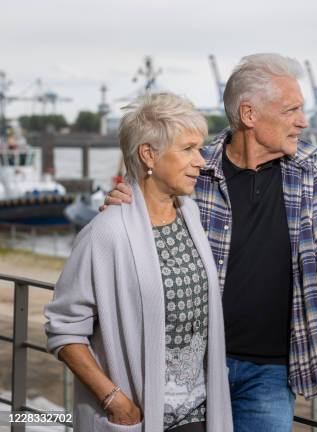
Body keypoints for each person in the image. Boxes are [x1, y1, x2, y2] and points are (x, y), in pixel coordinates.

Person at [105, 53, 317, 432]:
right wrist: (123, 203)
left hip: (271, 373)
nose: (303, 121)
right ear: (249, 114)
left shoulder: (310, 169)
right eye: (291, 110)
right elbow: (145, 217)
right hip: (193, 364)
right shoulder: (197, 166)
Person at [44, 93, 233, 432]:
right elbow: (63, 327)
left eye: (200, 148)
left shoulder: (193, 216)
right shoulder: (106, 233)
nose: (201, 161)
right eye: (188, 149)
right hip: (142, 419)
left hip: (201, 417)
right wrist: (116, 402)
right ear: (149, 154)